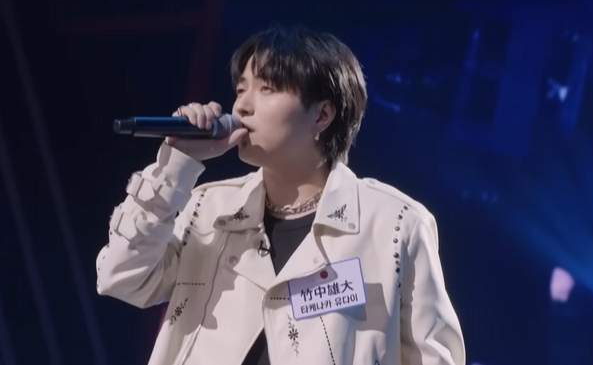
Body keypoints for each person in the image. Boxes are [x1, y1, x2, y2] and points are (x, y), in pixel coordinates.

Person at [96, 25, 465, 365]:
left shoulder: (395, 224)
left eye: (267, 88)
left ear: (322, 115)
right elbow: (121, 278)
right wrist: (176, 164)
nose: (242, 105)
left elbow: (434, 357)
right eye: (241, 89)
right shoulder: (208, 208)